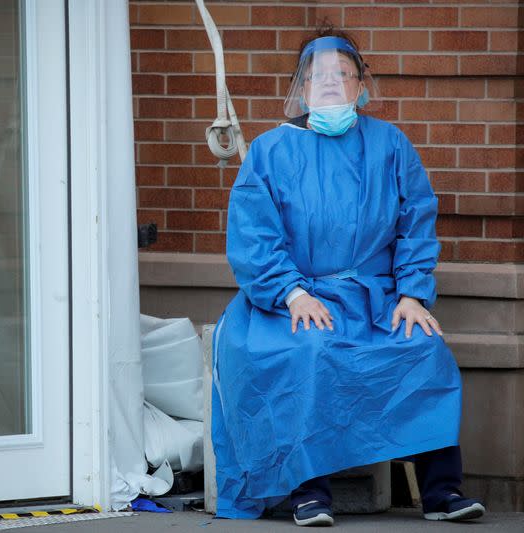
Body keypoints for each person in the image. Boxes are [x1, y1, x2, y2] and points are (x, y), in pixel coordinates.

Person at [211, 26, 486, 527]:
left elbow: (415, 222)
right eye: (320, 75)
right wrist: (290, 293)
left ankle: (443, 492)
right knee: (307, 352)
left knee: (422, 349)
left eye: (344, 73)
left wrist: (412, 294)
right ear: (302, 87)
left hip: (377, 300)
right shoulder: (270, 152)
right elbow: (253, 236)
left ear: (361, 86)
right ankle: (308, 492)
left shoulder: (390, 145)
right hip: (292, 299)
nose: (332, 83)